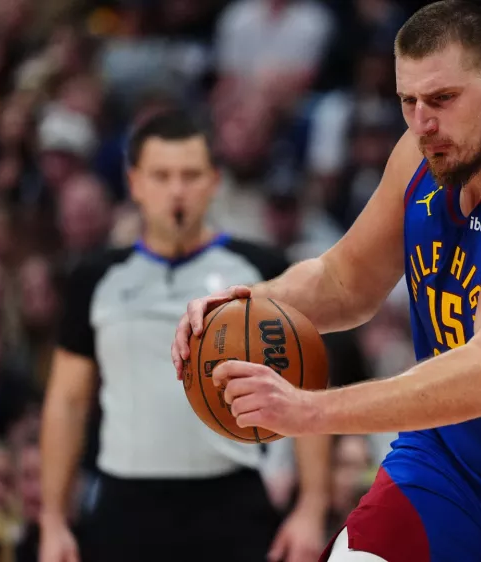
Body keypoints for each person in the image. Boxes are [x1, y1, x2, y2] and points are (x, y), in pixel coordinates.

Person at [171, 2, 481, 561]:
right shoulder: (422, 154)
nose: (423, 122)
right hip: (452, 473)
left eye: (442, 99)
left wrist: (309, 411)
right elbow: (346, 282)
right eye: (408, 102)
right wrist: (245, 302)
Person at [38, 109, 331, 562]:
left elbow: (306, 386)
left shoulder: (263, 268)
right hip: (124, 502)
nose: (177, 189)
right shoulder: (95, 277)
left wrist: (311, 507)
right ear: (134, 182)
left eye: (190, 175)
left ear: (214, 181)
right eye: (161, 175)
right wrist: (53, 520)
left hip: (232, 498)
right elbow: (67, 402)